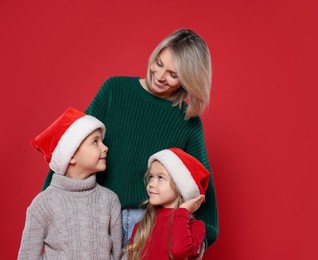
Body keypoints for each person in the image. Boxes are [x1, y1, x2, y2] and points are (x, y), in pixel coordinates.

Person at [42, 28, 218, 255]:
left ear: (188, 80)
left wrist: (203, 236)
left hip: (148, 227)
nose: (160, 75)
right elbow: (74, 144)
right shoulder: (115, 90)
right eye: (159, 62)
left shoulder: (187, 121)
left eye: (173, 74)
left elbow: (203, 184)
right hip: (97, 216)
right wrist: (49, 200)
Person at [18, 107, 122, 260]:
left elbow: (118, 254)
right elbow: (28, 256)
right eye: (95, 142)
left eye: (102, 141)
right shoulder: (42, 204)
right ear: (71, 155)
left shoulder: (109, 200)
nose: (105, 148)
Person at [126, 148, 210, 260]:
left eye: (160, 177)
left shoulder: (196, 227)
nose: (151, 184)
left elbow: (179, 252)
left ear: (180, 187)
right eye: (151, 177)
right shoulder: (142, 226)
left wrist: (182, 211)